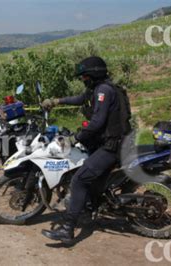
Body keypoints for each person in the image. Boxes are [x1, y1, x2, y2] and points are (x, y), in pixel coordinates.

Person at [40, 56, 132, 243]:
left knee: (79, 180)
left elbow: (97, 122)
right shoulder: (98, 89)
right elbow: (81, 98)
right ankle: (90, 209)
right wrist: (56, 101)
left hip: (111, 146)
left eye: (84, 76)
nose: (82, 79)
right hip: (110, 143)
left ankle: (67, 230)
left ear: (92, 75)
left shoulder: (104, 91)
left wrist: (76, 138)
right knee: (91, 175)